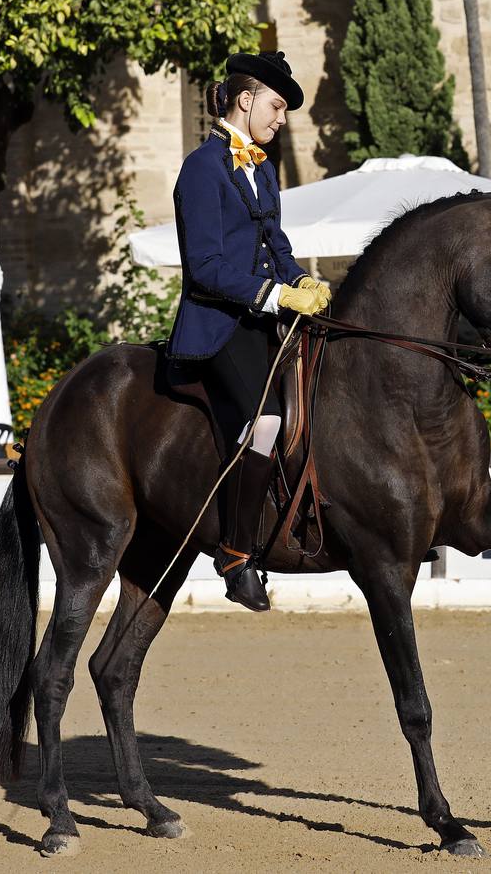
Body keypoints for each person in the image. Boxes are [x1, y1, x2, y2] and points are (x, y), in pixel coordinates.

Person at [166, 50, 330, 611]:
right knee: (266, 421)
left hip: (265, 317)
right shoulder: (202, 167)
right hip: (217, 324)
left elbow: (275, 246)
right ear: (246, 98)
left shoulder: (262, 168)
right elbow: (205, 267)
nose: (282, 119)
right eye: (278, 107)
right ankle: (236, 554)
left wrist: (304, 282)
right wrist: (277, 295)